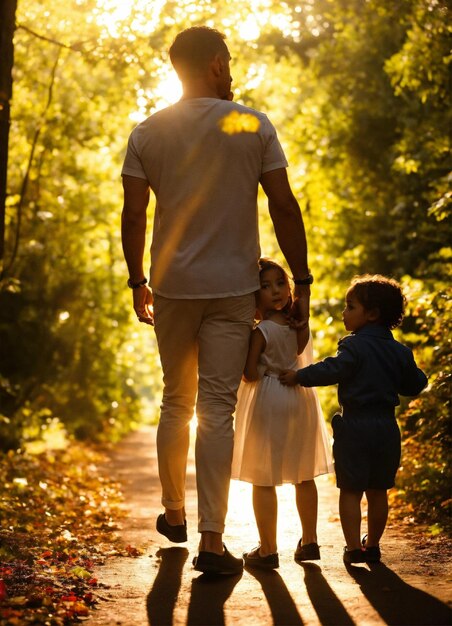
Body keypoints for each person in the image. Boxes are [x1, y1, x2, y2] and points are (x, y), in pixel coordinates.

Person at [121, 26, 313, 575]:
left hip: (174, 288)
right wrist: (301, 278)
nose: (231, 73)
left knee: (176, 402)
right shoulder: (251, 124)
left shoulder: (148, 132)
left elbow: (135, 215)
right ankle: (211, 540)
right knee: (216, 410)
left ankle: (174, 513)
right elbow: (283, 202)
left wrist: (139, 281)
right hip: (232, 291)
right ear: (213, 64)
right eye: (227, 63)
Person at [280, 274, 428, 564]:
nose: (343, 312)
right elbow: (416, 383)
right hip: (386, 427)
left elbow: (333, 369)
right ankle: (372, 545)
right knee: (378, 490)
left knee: (351, 490)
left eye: (350, 306)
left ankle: (352, 548)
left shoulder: (353, 346)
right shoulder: (399, 351)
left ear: (371, 314)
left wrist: (299, 376)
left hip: (355, 426)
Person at [231, 259, 333, 569]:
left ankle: (268, 549)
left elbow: (248, 374)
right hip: (299, 398)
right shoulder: (298, 326)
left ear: (288, 289)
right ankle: (310, 540)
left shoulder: (260, 332)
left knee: (263, 476)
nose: (275, 290)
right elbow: (299, 354)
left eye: (279, 283)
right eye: (266, 286)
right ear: (256, 294)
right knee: (303, 473)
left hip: (269, 397)